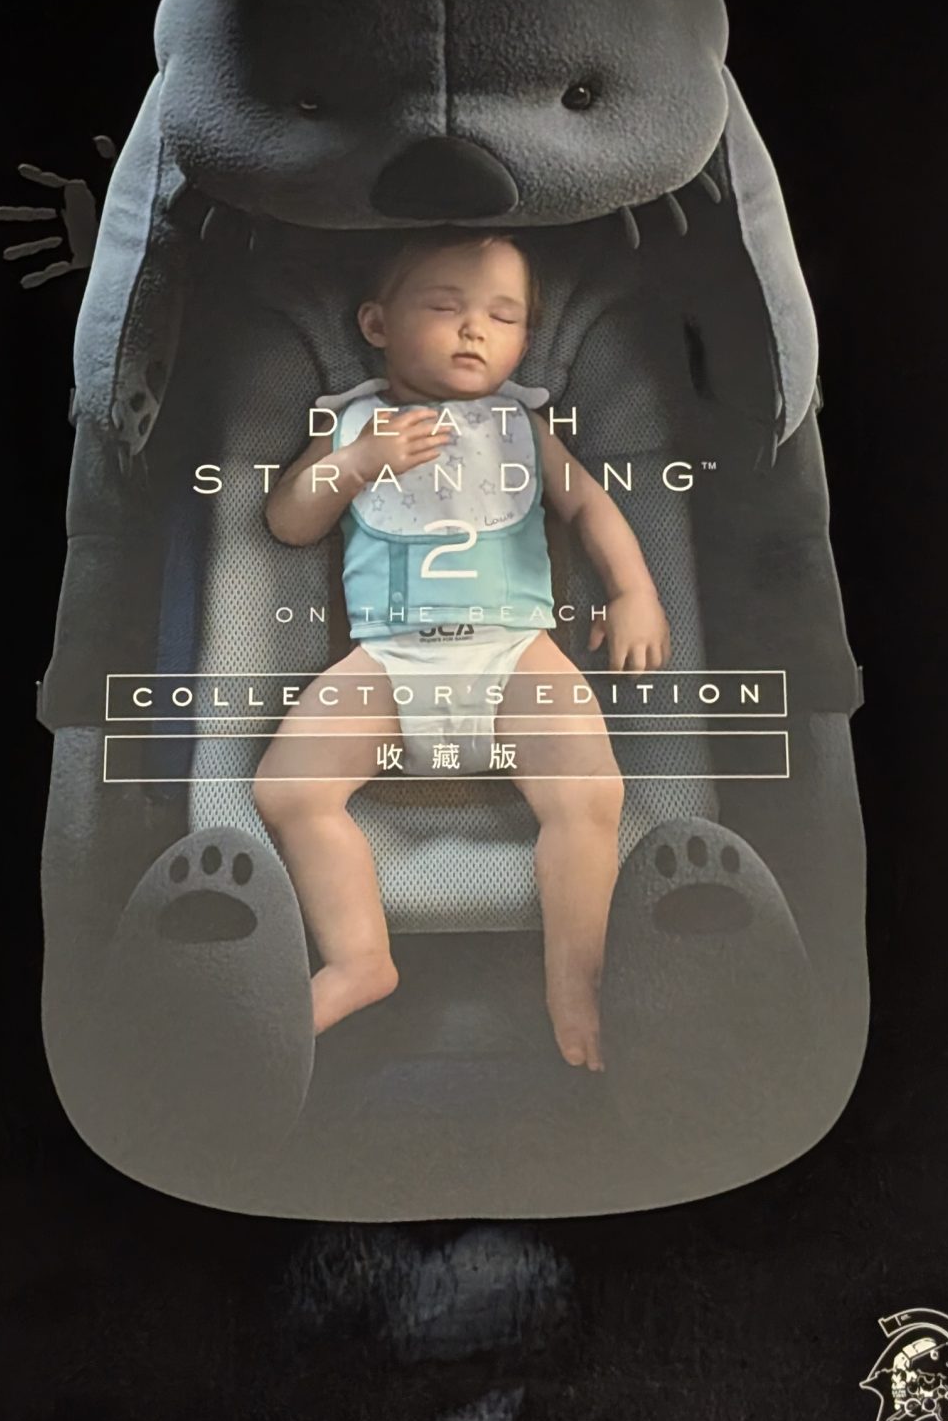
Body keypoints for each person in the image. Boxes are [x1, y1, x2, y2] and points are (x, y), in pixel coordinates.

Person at [253, 229, 671, 1072]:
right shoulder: (353, 422)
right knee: (287, 788)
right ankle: (359, 960)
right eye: (445, 307)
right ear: (378, 324)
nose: (475, 328)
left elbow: (590, 507)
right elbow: (289, 519)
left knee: (590, 791)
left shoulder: (523, 425)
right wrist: (360, 462)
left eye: (503, 316)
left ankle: (576, 981)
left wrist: (633, 593)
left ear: (523, 339)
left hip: (515, 651)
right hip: (389, 659)